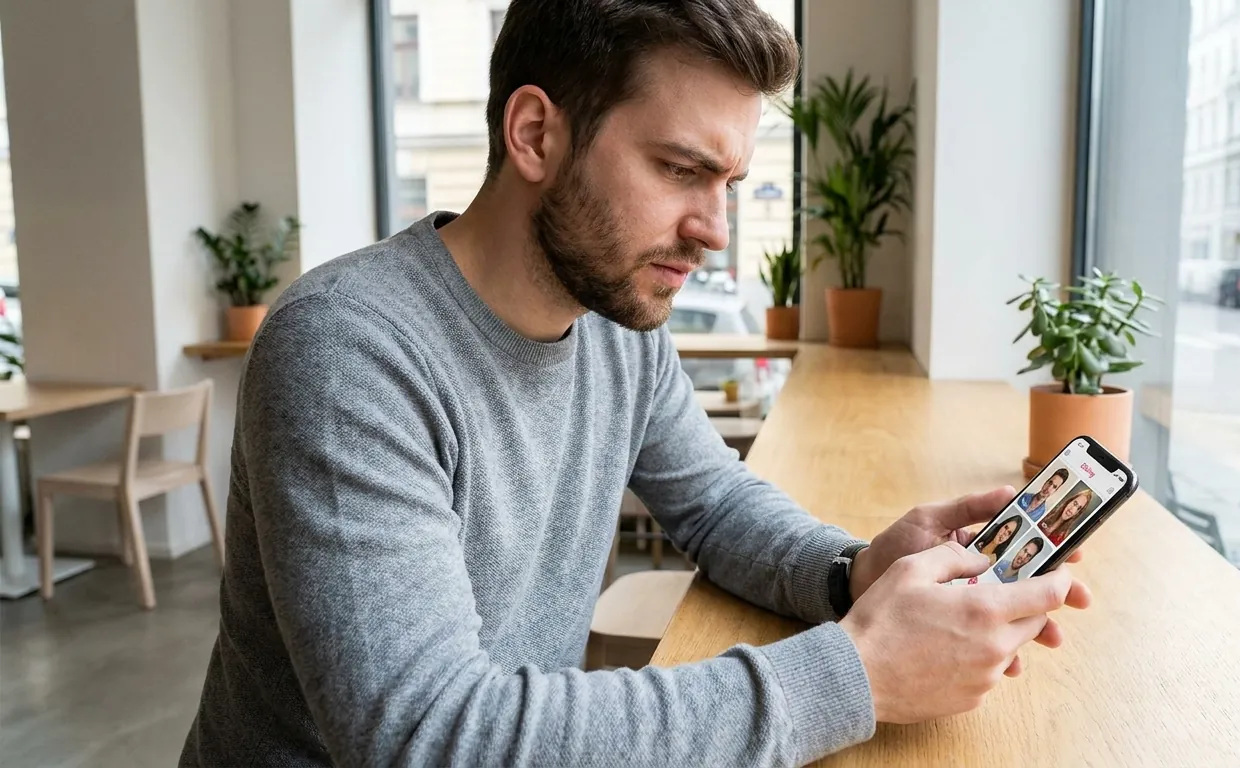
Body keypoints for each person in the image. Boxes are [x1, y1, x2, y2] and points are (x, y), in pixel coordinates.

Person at [180, 1, 1091, 765]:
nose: (715, 230)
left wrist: (854, 571)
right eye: (682, 170)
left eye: (728, 181)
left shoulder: (614, 319)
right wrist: (857, 675)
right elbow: (428, 735)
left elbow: (715, 506)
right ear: (535, 134)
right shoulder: (348, 350)